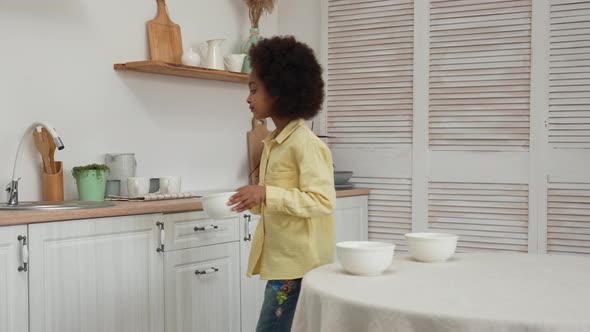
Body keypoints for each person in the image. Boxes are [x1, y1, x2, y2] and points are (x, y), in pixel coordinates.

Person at [228, 35, 336, 332]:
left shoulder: (305, 144)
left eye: (254, 90)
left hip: (298, 265)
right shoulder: (275, 143)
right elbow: (281, 198)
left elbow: (323, 200)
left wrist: (265, 193)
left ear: (278, 91)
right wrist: (257, 199)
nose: (248, 99)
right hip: (285, 262)